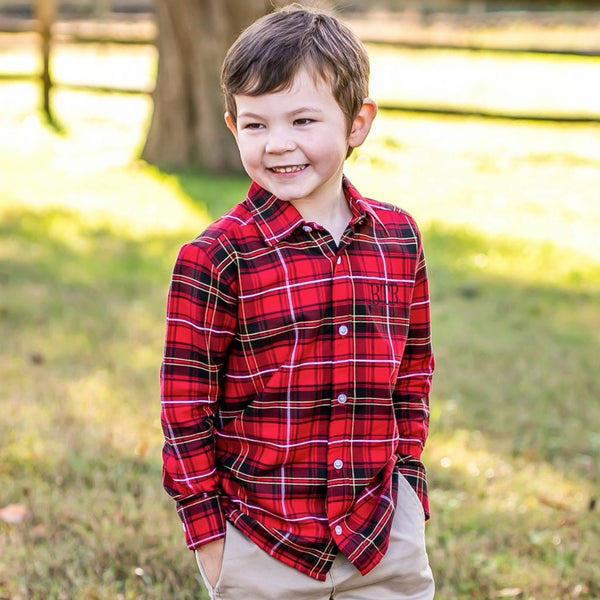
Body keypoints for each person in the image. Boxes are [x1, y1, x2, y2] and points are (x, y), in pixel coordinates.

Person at [160, 5, 435, 599]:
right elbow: (185, 409)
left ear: (357, 123)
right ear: (233, 127)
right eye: (256, 125)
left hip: (381, 533)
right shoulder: (215, 257)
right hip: (260, 538)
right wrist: (211, 540)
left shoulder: (398, 239)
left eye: (303, 120)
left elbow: (412, 376)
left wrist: (408, 483)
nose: (278, 145)